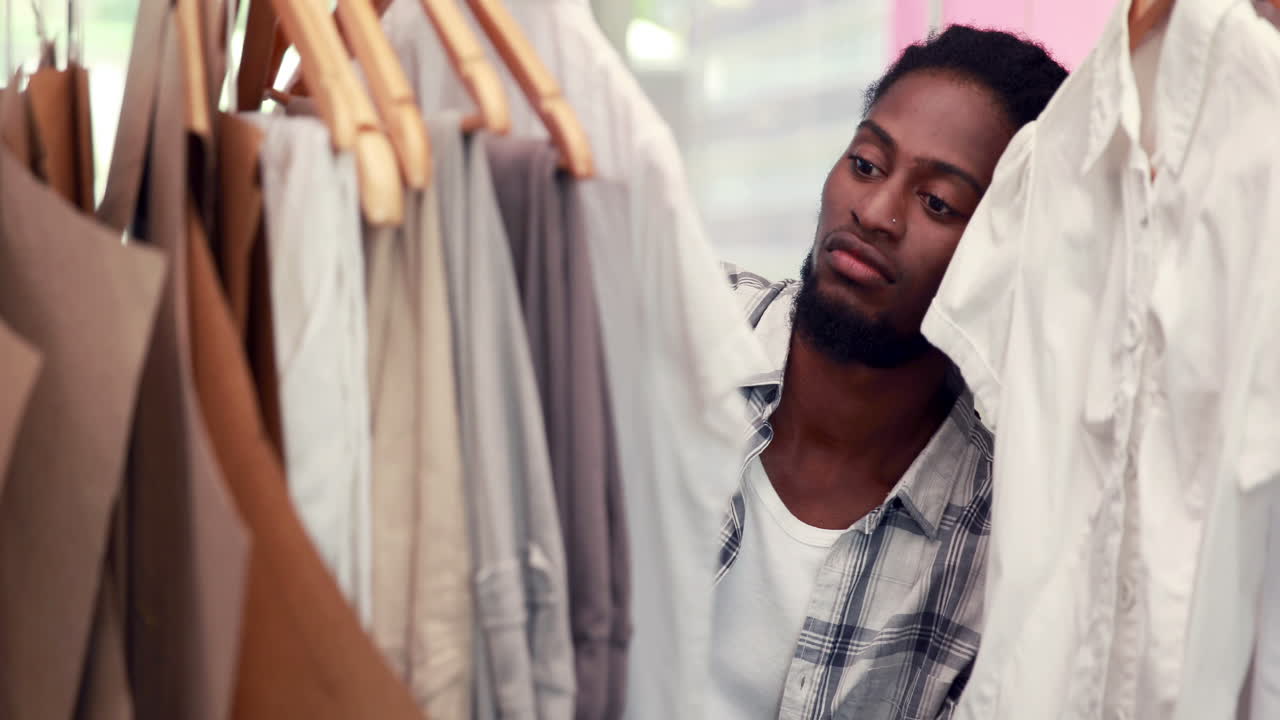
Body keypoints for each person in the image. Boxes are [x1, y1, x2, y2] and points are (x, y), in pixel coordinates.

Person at [709, 26, 1068, 719]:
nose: (873, 214)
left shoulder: (998, 533)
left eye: (938, 203)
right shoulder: (684, 334)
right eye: (867, 164)